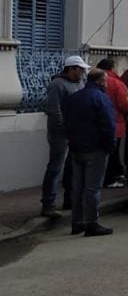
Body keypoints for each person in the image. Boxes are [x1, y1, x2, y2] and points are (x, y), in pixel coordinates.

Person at [63, 69, 116, 237]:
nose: (107, 84)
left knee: (77, 187)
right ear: (100, 81)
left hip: (77, 148)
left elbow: (67, 122)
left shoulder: (74, 98)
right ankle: (91, 223)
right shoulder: (101, 98)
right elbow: (108, 125)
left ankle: (77, 222)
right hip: (96, 148)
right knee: (92, 188)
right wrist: (110, 145)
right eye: (105, 81)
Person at [40, 56, 89, 218]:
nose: (82, 72)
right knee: (55, 167)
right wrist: (65, 129)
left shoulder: (80, 84)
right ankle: (48, 203)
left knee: (73, 168)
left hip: (77, 132)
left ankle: (70, 199)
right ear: (72, 68)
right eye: (80, 69)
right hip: (60, 133)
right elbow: (54, 111)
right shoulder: (57, 85)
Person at [96, 58, 128, 189]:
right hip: (116, 124)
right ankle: (109, 179)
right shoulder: (118, 83)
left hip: (95, 126)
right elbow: (127, 105)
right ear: (112, 68)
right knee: (112, 153)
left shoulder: (90, 81)